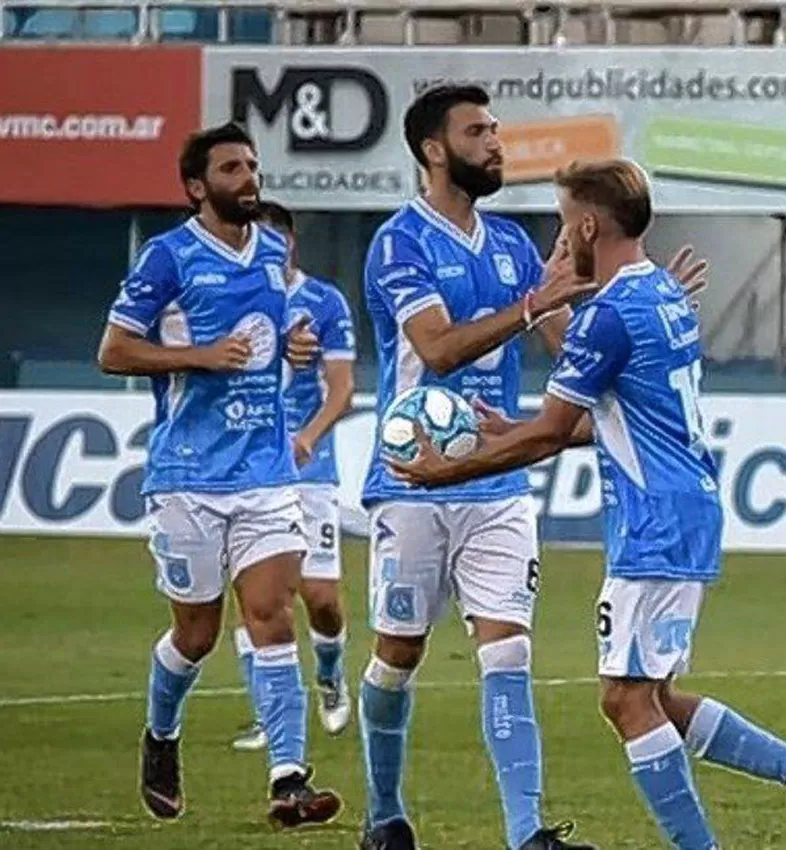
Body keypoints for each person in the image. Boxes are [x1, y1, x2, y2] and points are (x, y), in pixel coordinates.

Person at [389, 158, 786, 850]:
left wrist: (443, 474)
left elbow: (553, 433)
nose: (557, 239)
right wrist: (509, 431)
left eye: (560, 222)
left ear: (586, 225)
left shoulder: (605, 316)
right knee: (654, 697)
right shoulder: (660, 294)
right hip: (680, 511)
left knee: (625, 698)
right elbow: (600, 422)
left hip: (656, 522)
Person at [355, 84, 602, 850]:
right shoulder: (400, 243)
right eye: (479, 131)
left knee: (509, 649)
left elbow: (571, 351)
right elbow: (435, 350)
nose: (497, 143)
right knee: (399, 655)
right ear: (435, 149)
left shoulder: (513, 247)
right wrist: (533, 306)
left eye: (496, 130)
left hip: (495, 480)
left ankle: (529, 833)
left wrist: (625, 312)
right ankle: (385, 815)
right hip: (414, 480)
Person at [96, 122, 342, 828]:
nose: (249, 178)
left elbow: (272, 344)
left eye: (253, 165)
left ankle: (289, 778)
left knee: (270, 616)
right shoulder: (166, 259)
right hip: (186, 475)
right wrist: (201, 357)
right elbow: (113, 350)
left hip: (265, 472)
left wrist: (294, 352)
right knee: (197, 635)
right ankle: (162, 736)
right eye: (232, 168)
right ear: (199, 187)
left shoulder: (272, 252)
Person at [230, 200, 357, 752]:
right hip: (241, 467)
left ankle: (329, 675)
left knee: (321, 597)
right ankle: (271, 712)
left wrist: (308, 435)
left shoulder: (322, 301)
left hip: (307, 469)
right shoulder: (228, 299)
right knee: (256, 594)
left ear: (290, 244)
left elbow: (342, 388)